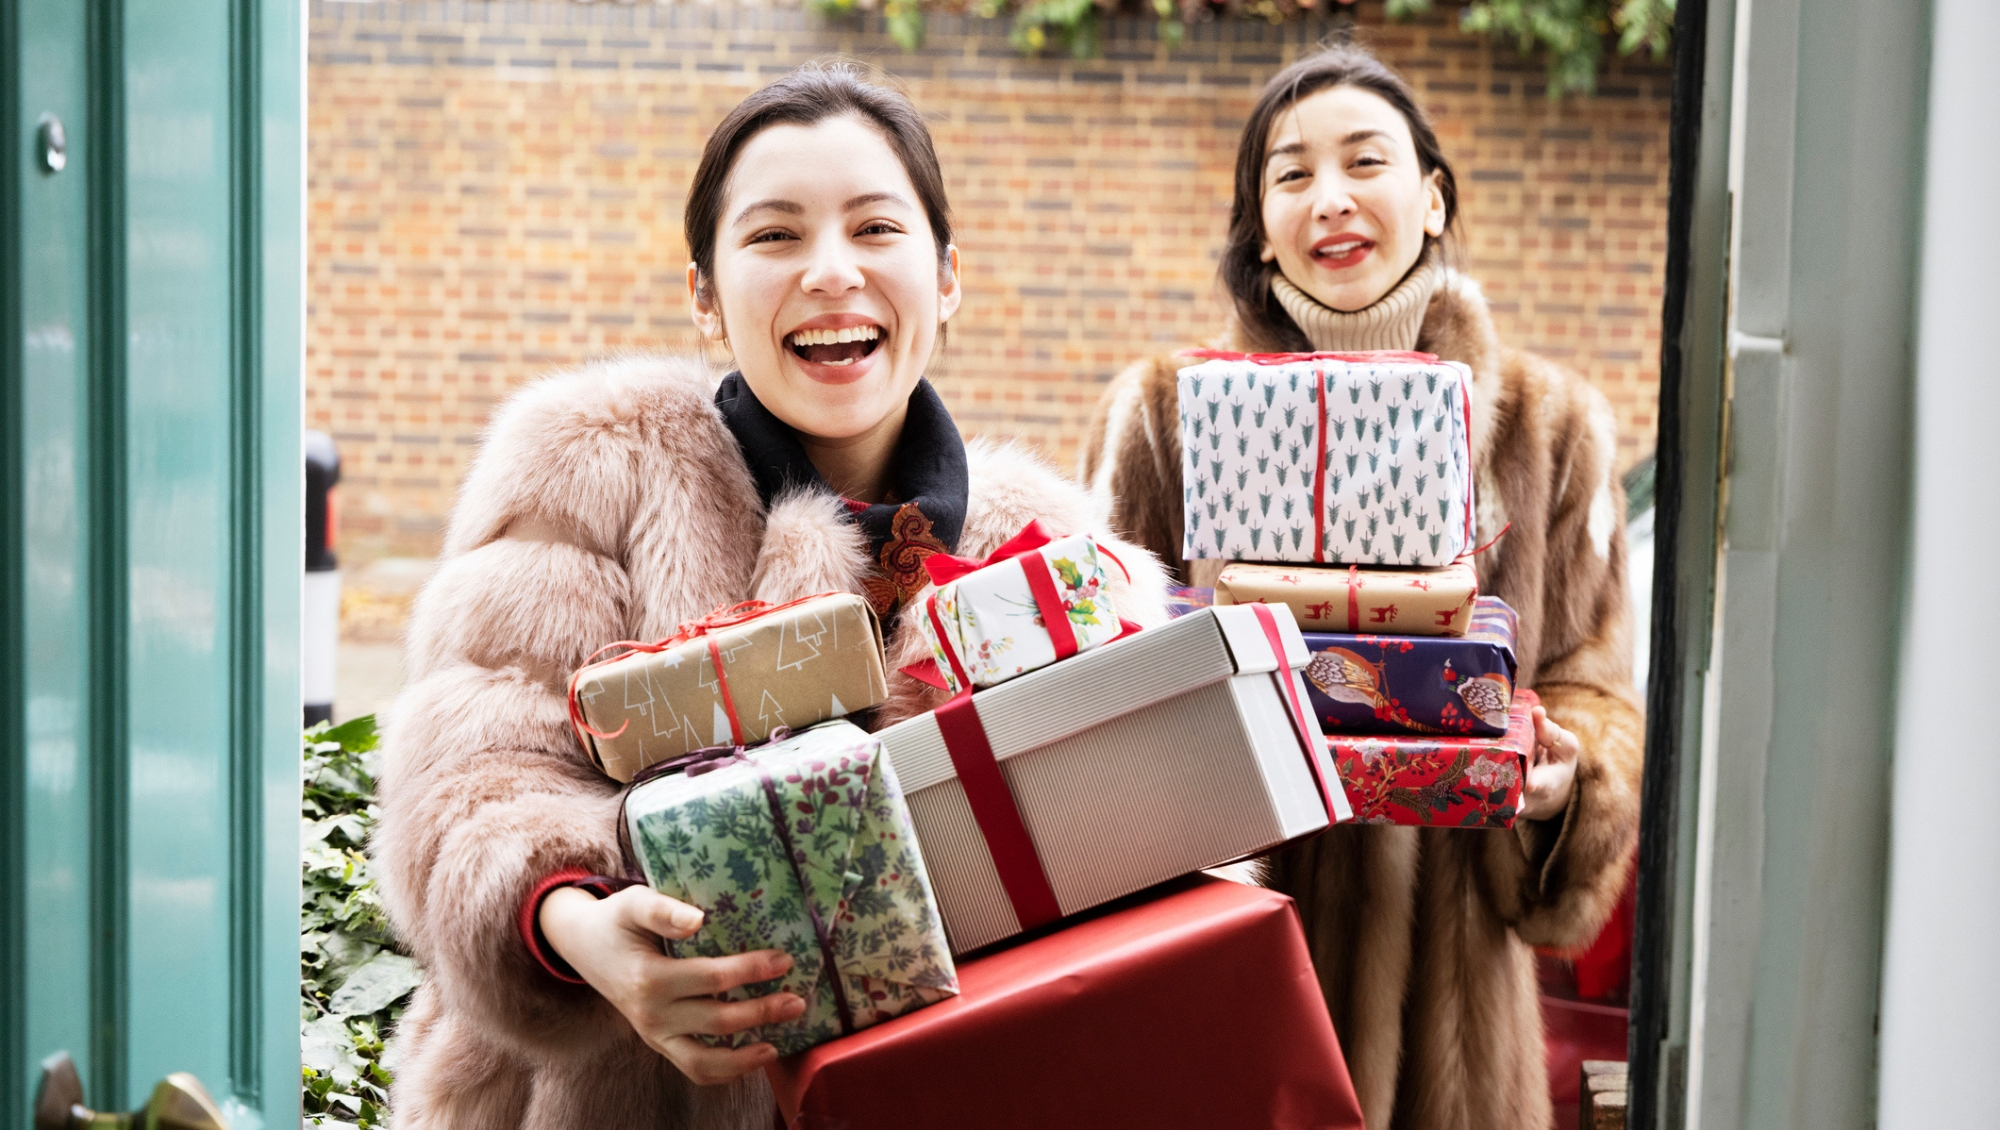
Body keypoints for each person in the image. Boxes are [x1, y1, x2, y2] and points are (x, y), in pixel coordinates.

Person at [372, 63, 1170, 1129]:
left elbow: (1139, 831)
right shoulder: (596, 460)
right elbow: (466, 784)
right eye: (775, 235)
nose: (831, 272)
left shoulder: (1048, 545)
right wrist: (577, 929)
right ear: (704, 292)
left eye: (876, 229)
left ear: (945, 277)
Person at [1080, 44, 1643, 1130]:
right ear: (1256, 222)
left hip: (1459, 1027)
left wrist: (1561, 773)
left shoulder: (1548, 422)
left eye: (1363, 162)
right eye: (1288, 175)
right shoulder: (1160, 411)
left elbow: (1590, 689)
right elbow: (1090, 683)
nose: (1328, 199)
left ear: (1430, 199)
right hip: (1224, 979)